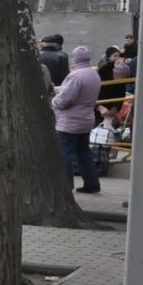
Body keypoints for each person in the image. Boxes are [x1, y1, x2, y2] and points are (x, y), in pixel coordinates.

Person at [52, 45, 102, 194]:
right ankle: (92, 184)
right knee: (83, 152)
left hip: (70, 121)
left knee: (64, 152)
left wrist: (53, 101)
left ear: (75, 58)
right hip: (86, 119)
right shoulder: (93, 74)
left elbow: (65, 99)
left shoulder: (75, 75)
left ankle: (64, 186)